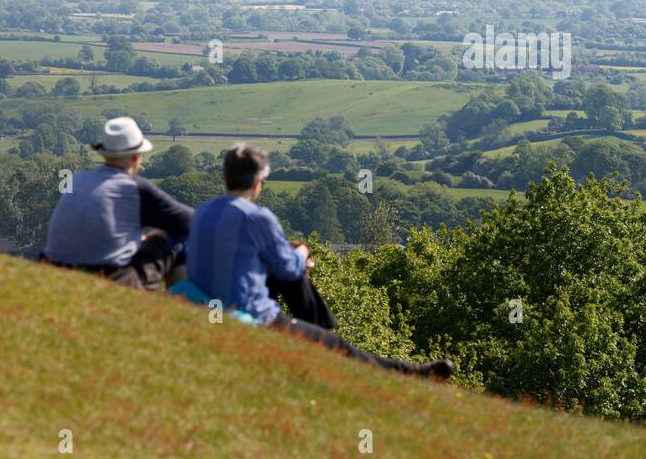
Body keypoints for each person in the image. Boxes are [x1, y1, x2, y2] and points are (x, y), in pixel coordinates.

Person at [185, 143, 452, 379]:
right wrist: (302, 253)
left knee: (289, 276)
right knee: (338, 346)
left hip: (207, 301)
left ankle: (322, 330)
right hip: (247, 311)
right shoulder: (257, 217)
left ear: (225, 177)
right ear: (257, 182)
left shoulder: (203, 212)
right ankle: (407, 373)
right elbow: (289, 270)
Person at [40, 116, 192, 290]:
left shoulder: (78, 179)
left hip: (52, 268)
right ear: (136, 157)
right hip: (109, 277)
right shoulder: (134, 187)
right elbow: (191, 221)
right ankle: (179, 303)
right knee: (176, 237)